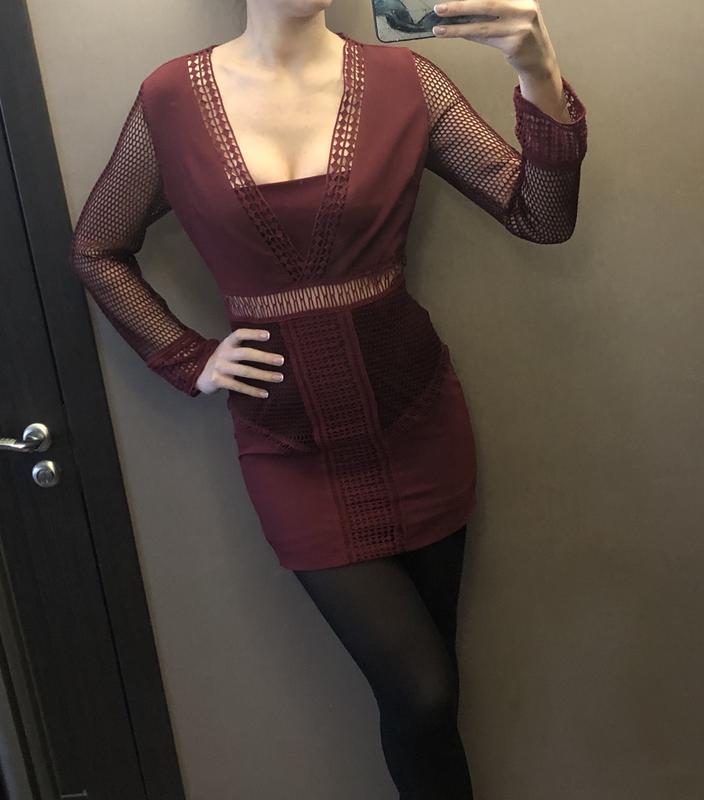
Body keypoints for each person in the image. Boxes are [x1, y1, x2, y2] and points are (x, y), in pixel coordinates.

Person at [68, 1, 588, 796]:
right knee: (422, 689)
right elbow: (97, 248)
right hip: (289, 448)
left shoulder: (406, 80)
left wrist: (536, 70)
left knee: (430, 698)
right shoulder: (170, 100)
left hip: (419, 422)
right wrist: (189, 357)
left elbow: (542, 216)